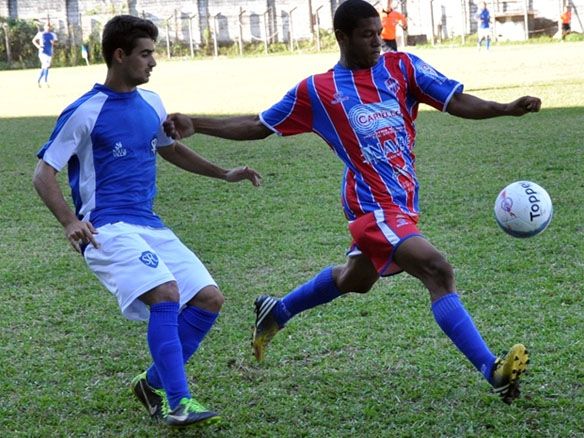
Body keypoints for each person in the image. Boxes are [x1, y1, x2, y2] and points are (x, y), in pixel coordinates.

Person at [164, 0, 540, 404]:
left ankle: (278, 310)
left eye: (379, 32)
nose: (378, 40)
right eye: (367, 34)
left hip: (402, 198)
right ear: (342, 38)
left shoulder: (402, 67)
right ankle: (492, 370)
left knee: (356, 280)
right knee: (437, 269)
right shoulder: (318, 91)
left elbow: (455, 101)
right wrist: (197, 124)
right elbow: (259, 125)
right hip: (369, 202)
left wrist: (504, 109)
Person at [32, 15, 261, 427]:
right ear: (119, 55)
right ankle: (179, 402)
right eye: (145, 53)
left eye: (153, 53)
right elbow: (42, 173)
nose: (153, 61)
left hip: (149, 224)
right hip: (105, 228)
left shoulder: (152, 102)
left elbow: (169, 150)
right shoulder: (85, 111)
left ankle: (151, 383)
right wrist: (69, 221)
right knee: (167, 293)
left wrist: (224, 173)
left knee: (209, 298)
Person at [32, 22, 58, 87]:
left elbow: (55, 43)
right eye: (47, 26)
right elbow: (34, 40)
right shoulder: (41, 34)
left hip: (49, 52)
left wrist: (53, 43)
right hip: (42, 52)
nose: (48, 28)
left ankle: (38, 81)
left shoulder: (53, 34)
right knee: (45, 66)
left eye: (49, 26)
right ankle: (45, 81)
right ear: (44, 27)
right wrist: (38, 46)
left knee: (45, 67)